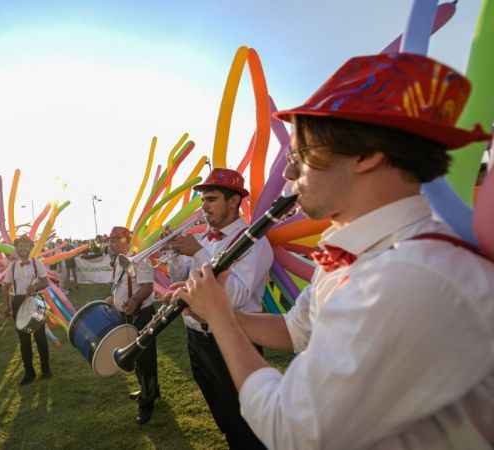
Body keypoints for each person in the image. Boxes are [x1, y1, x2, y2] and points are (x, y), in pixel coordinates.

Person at [178, 53, 494, 449]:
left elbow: (290, 431)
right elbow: (295, 330)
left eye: (301, 156)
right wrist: (216, 311)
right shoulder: (352, 251)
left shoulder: (410, 278)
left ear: (367, 155)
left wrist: (222, 320)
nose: (290, 174)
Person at [164, 168, 271, 449]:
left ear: (234, 201)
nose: (204, 207)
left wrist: (197, 252)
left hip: (232, 339)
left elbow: (232, 297)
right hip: (196, 338)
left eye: (210, 199)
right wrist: (176, 255)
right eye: (202, 200)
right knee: (223, 416)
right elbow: (183, 280)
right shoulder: (204, 239)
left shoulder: (255, 241)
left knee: (246, 423)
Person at [106, 226, 159, 425]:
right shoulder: (117, 262)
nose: (111, 243)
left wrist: (134, 301)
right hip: (127, 315)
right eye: (110, 239)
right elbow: (120, 286)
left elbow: (147, 286)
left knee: (145, 359)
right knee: (136, 357)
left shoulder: (139, 257)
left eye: (116, 239)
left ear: (127, 239)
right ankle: (150, 390)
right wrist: (113, 299)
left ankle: (147, 404)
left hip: (141, 315)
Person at [2, 234, 51, 385]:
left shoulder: (37, 263)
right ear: (16, 249)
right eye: (20, 246)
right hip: (18, 302)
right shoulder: (12, 266)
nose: (23, 248)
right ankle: (29, 373)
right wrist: (7, 305)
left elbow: (45, 282)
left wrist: (35, 286)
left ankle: (46, 370)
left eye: (26, 245)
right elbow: (6, 286)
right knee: (24, 340)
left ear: (30, 247)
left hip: (35, 301)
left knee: (40, 337)